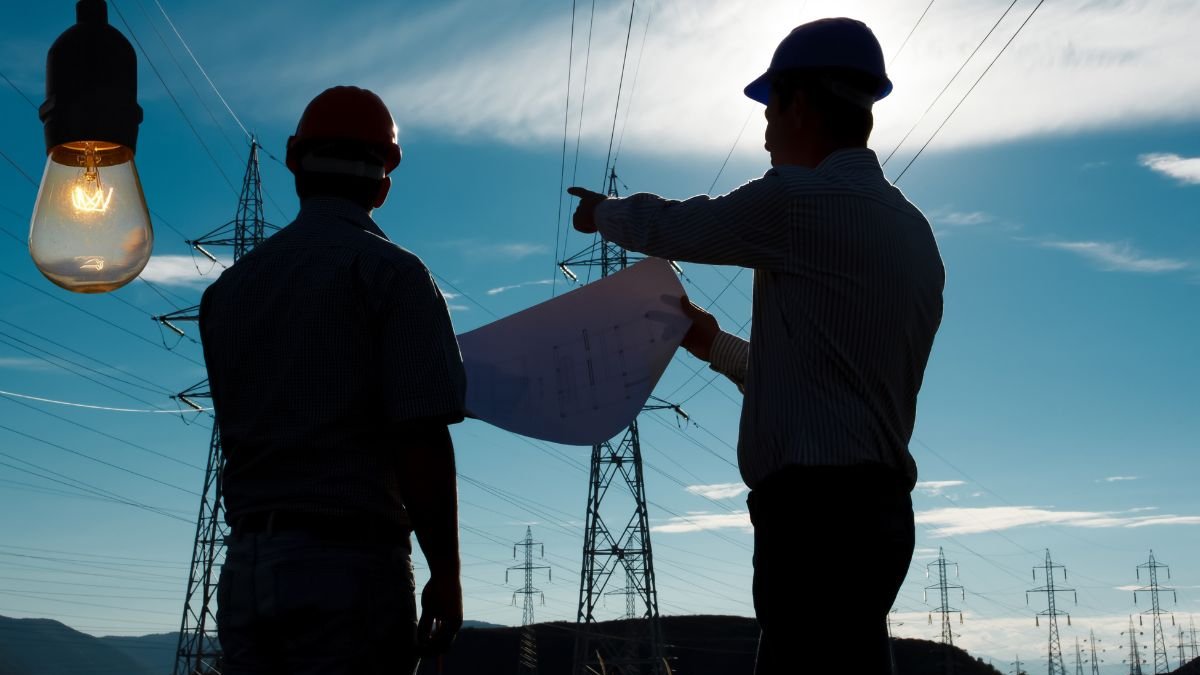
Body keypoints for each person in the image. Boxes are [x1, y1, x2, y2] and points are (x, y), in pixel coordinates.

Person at [568, 18, 945, 675]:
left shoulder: (799, 202)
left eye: (770, 107)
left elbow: (678, 224)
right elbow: (828, 380)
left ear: (801, 103)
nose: (765, 127)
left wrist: (602, 213)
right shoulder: (915, 233)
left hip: (814, 518)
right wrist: (711, 343)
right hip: (878, 514)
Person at [199, 86, 467, 675]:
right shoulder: (394, 275)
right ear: (383, 185)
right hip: (351, 566)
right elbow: (419, 439)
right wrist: (445, 577)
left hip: (246, 566)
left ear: (294, 162)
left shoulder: (227, 294)